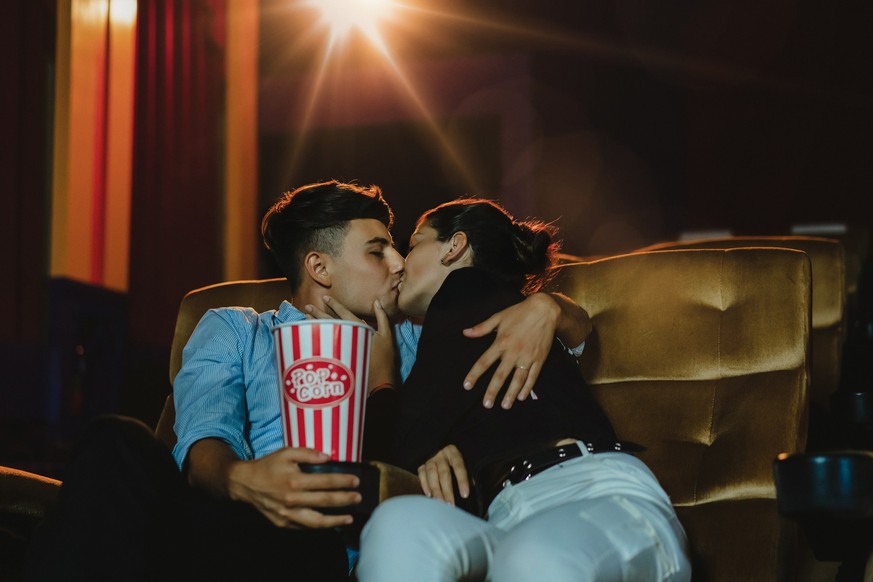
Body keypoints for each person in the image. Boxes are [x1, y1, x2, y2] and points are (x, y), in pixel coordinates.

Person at [24, 181, 592, 581]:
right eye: (377, 250)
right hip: (231, 519)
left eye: (398, 247)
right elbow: (202, 437)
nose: (398, 263)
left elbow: (557, 344)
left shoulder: (417, 334)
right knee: (114, 440)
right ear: (320, 268)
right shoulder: (239, 330)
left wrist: (548, 308)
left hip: (332, 542)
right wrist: (243, 479)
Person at [355, 198, 692, 581]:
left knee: (532, 556)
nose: (400, 262)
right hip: (505, 514)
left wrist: (381, 379)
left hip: (591, 491)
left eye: (414, 244)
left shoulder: (464, 289)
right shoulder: (512, 315)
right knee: (397, 526)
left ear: (455, 247)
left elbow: (399, 440)